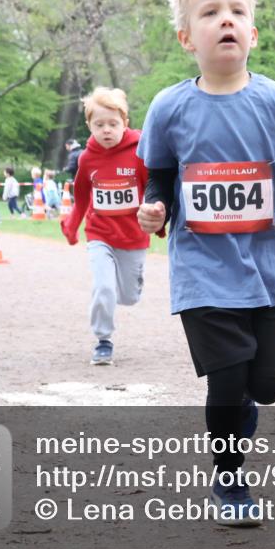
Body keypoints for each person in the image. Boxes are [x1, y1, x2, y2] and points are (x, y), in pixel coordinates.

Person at [136, 0, 275, 525]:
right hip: (201, 270)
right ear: (187, 38)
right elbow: (158, 175)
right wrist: (156, 207)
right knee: (226, 382)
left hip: (267, 269)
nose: (225, 20)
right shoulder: (169, 106)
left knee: (268, 385)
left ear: (252, 33)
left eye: (237, 12)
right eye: (210, 13)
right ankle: (229, 481)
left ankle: (244, 406)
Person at [62, 88, 160, 365]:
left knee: (128, 297)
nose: (106, 130)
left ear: (125, 123)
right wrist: (71, 226)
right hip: (99, 233)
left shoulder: (140, 152)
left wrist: (158, 219)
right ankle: (103, 340)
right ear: (89, 126)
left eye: (113, 124)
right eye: (99, 124)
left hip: (133, 235)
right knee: (104, 287)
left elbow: (152, 188)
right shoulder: (86, 158)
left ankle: (124, 291)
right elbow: (82, 196)